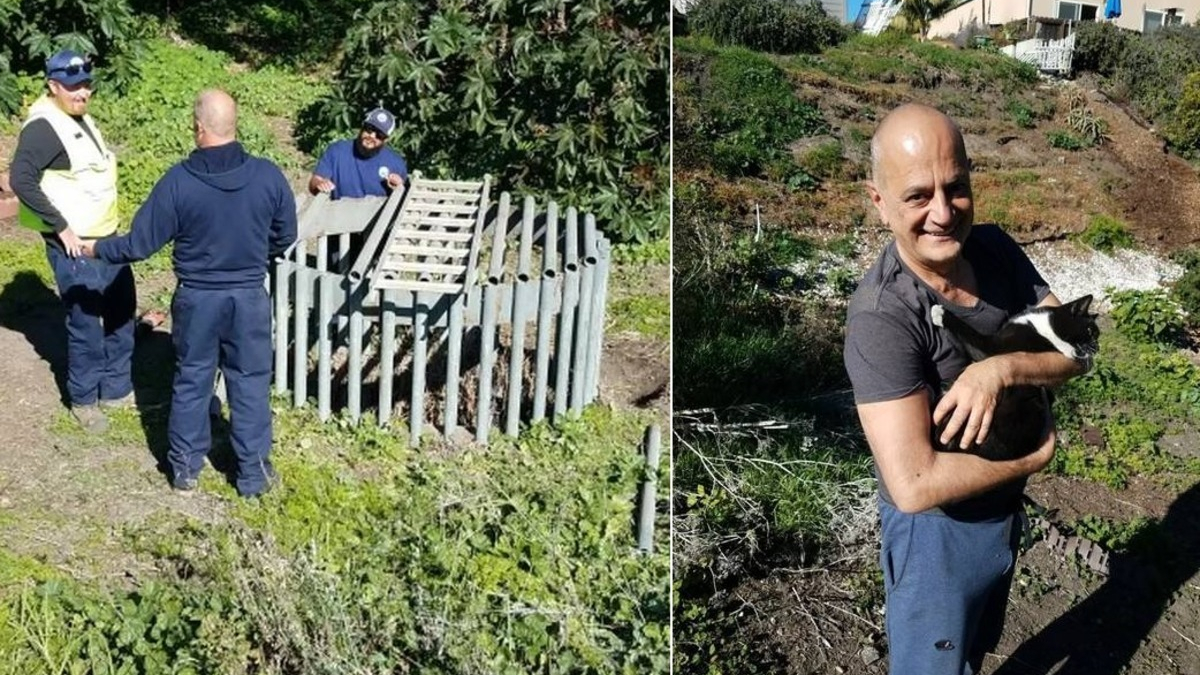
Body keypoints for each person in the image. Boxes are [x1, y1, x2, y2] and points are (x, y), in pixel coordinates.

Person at [843, 104, 1087, 675]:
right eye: (917, 196)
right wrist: (1035, 456)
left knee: (974, 648)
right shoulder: (883, 316)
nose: (943, 212)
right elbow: (914, 485)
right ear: (878, 203)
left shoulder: (995, 249)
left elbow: (1080, 348)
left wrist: (999, 370)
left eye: (956, 188)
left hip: (1002, 511)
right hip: (938, 536)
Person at [82, 89, 297, 498]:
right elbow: (285, 235)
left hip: (198, 298)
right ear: (235, 125)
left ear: (198, 128)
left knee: (192, 378)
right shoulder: (269, 176)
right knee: (250, 382)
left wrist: (97, 247)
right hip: (248, 297)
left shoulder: (178, 182)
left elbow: (139, 244)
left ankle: (184, 468)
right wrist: (249, 258)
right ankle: (252, 475)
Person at [9, 50, 135, 434]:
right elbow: (21, 179)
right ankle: (84, 400)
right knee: (85, 324)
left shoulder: (77, 116)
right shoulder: (44, 127)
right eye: (72, 85)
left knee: (122, 311)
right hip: (76, 246)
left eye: (85, 84)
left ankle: (116, 389)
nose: (82, 92)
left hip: (107, 240)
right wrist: (60, 227)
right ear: (53, 85)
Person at [307, 107, 408, 199]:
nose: (372, 136)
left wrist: (399, 188)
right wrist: (320, 184)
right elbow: (314, 183)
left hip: (377, 217)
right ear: (362, 127)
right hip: (338, 214)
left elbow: (403, 199)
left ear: (386, 140)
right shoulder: (337, 151)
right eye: (369, 129)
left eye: (379, 134)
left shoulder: (396, 163)